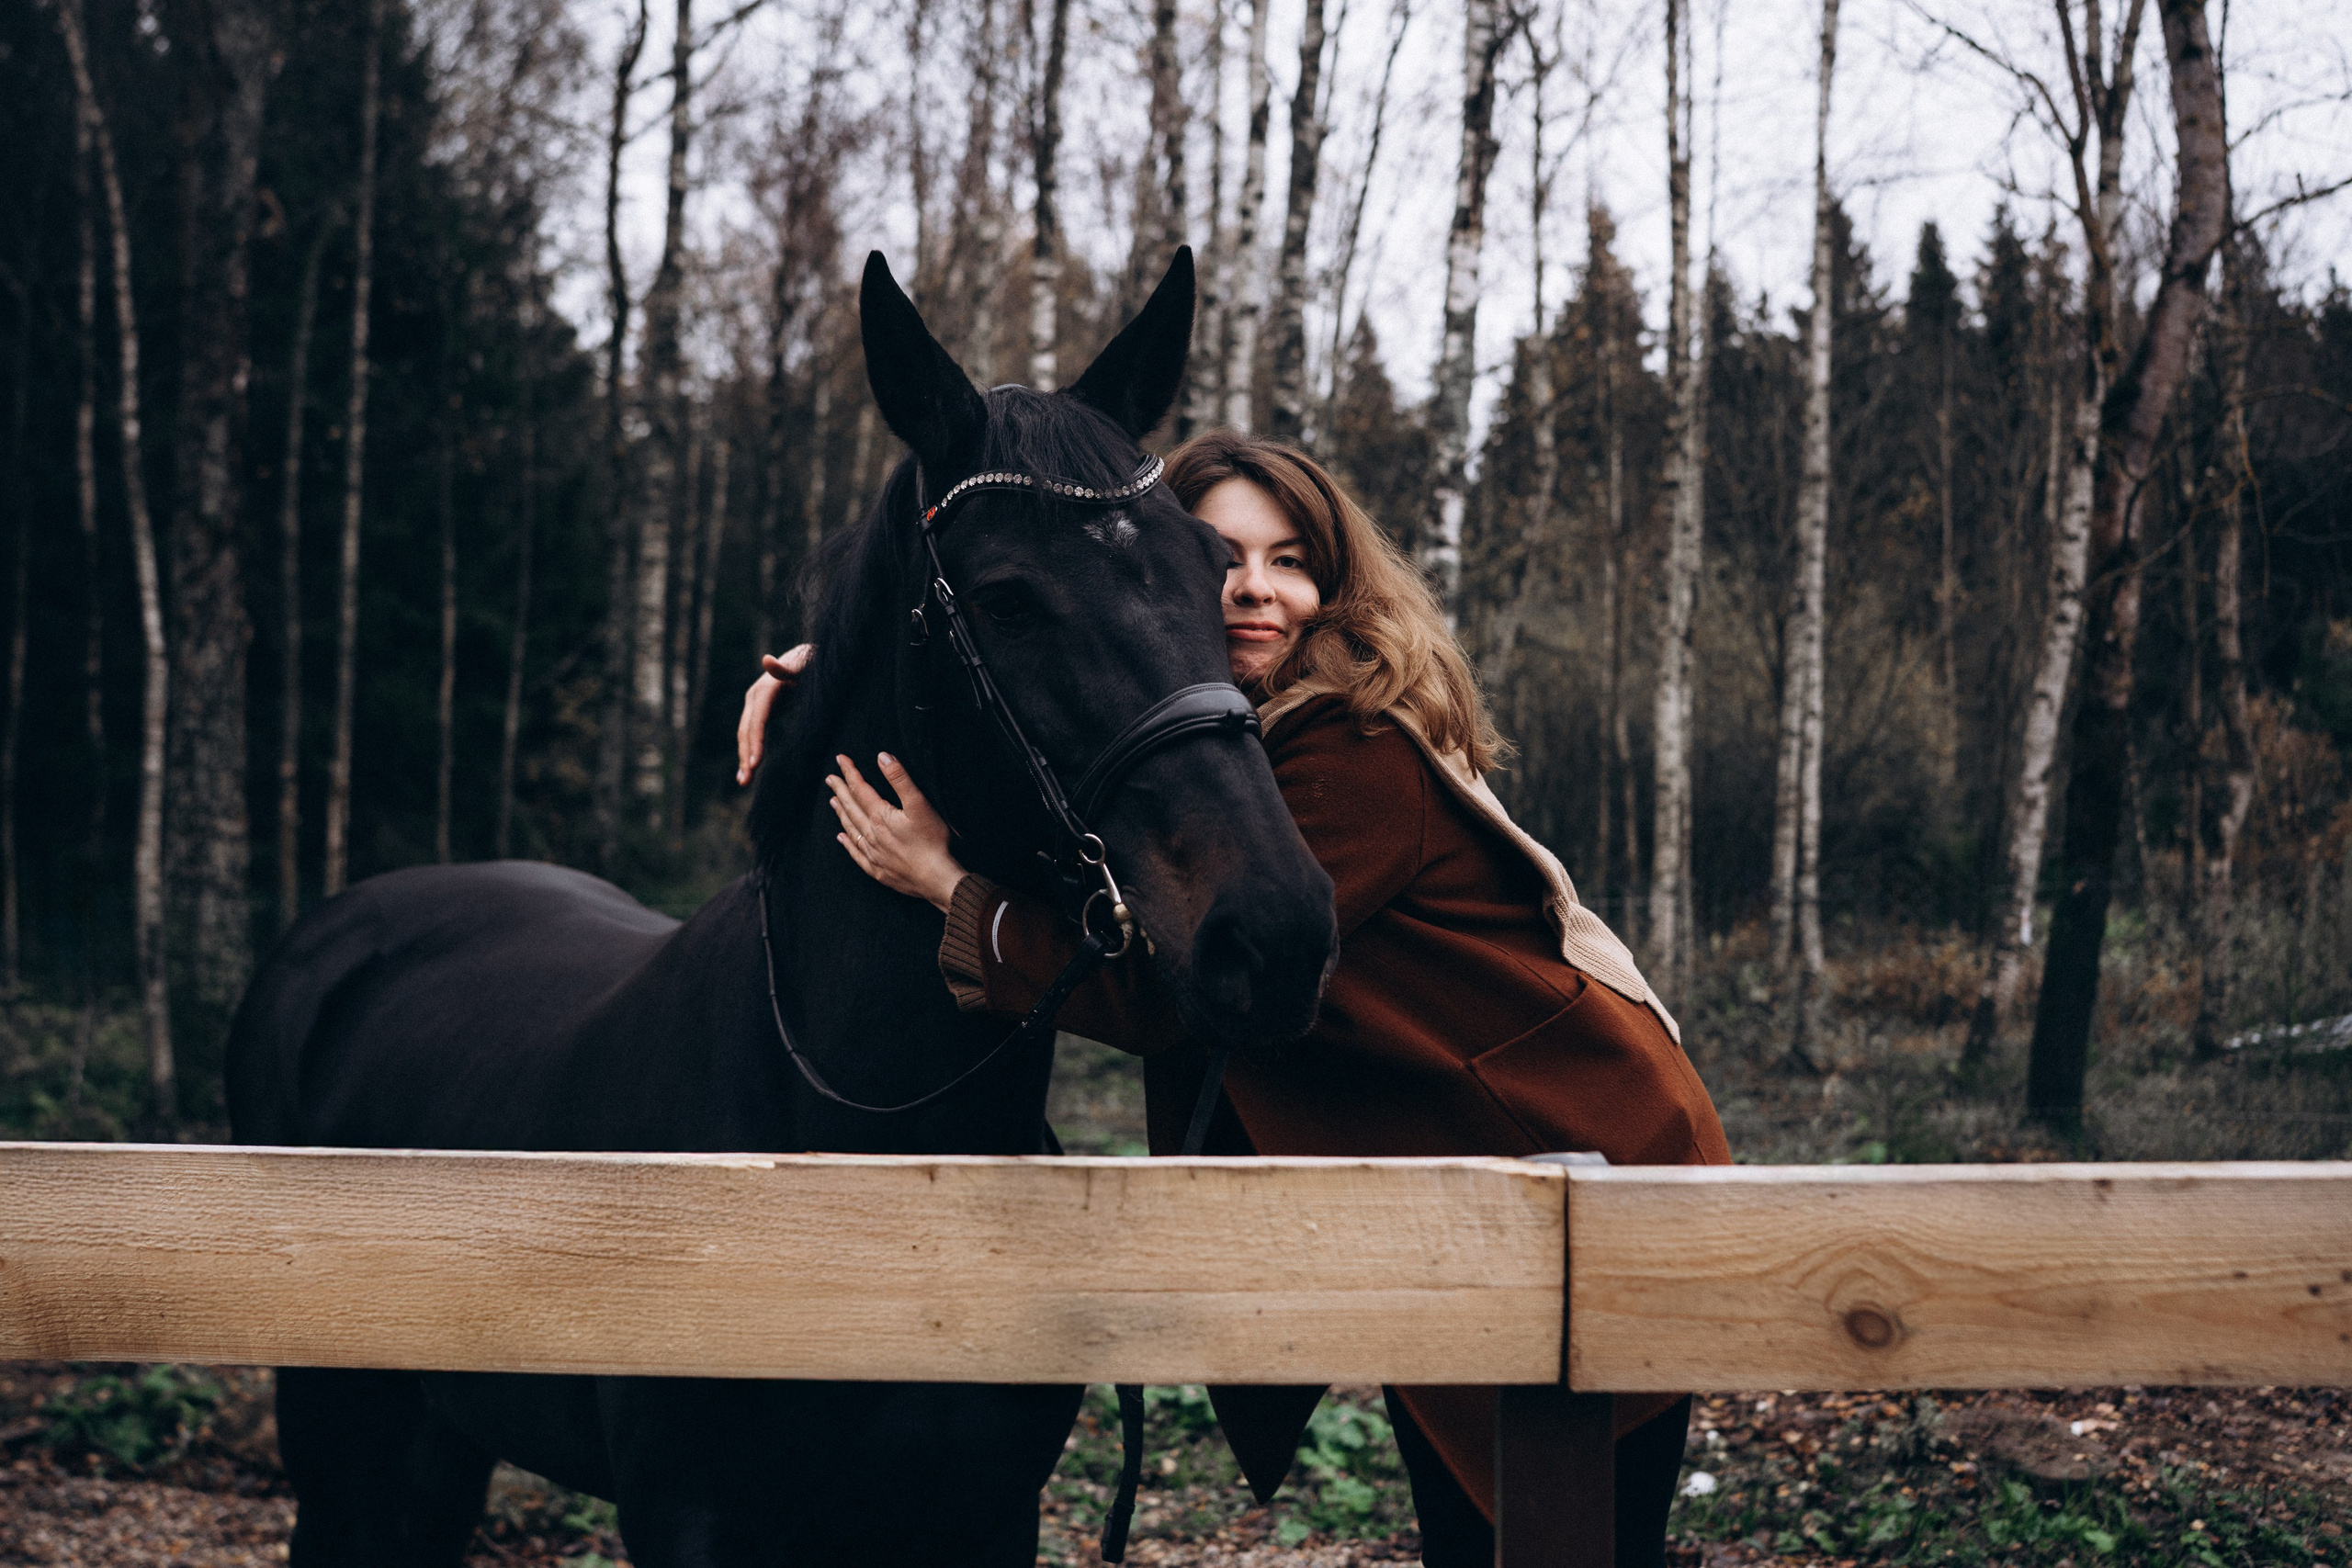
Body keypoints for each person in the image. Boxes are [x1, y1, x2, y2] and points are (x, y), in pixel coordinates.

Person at [738, 428, 1729, 1568]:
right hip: (1458, 1181)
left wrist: (950, 889)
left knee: (1560, 1537)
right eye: (1223, 557)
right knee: (1480, 1512)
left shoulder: (1347, 751)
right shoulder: (1232, 735)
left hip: (1572, 1164)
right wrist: (837, 672)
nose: (1255, 590)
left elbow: (1177, 993)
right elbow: (1045, 658)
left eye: (1291, 559)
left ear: (1336, 583)